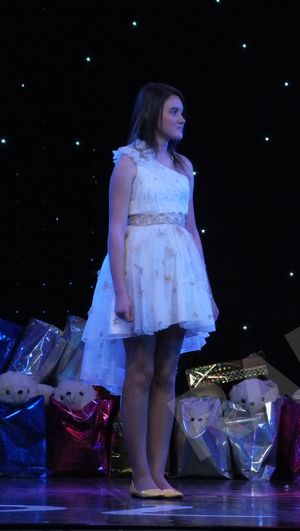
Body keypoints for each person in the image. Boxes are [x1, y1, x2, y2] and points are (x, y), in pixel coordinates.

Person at [81, 82, 218, 500]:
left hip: (178, 273)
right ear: (154, 112)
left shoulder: (183, 166)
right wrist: (122, 292)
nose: (182, 118)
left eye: (182, 112)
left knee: (166, 373)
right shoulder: (128, 162)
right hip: (140, 270)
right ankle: (140, 473)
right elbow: (115, 230)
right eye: (174, 111)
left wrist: (205, 288)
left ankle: (159, 474)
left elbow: (191, 227)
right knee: (139, 370)